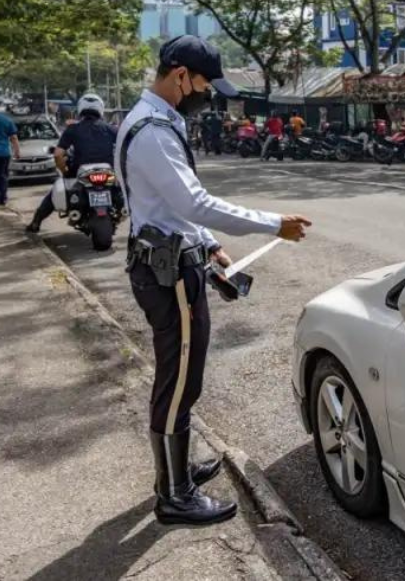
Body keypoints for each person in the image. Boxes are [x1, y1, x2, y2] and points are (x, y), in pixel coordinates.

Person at [115, 35, 311, 526]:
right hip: (167, 275)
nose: (206, 93)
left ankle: (175, 475)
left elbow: (173, 209)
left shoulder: (151, 121)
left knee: (181, 375)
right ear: (180, 75)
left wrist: (210, 245)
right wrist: (273, 224)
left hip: (172, 259)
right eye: (203, 83)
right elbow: (194, 203)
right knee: (179, 379)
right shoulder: (155, 131)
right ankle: (174, 497)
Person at [26, 94, 117, 233]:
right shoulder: (111, 129)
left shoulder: (73, 129)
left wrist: (65, 172)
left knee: (53, 194)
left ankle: (36, 222)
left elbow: (57, 154)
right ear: (101, 109)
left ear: (80, 108)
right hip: (108, 172)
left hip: (80, 172)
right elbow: (127, 149)